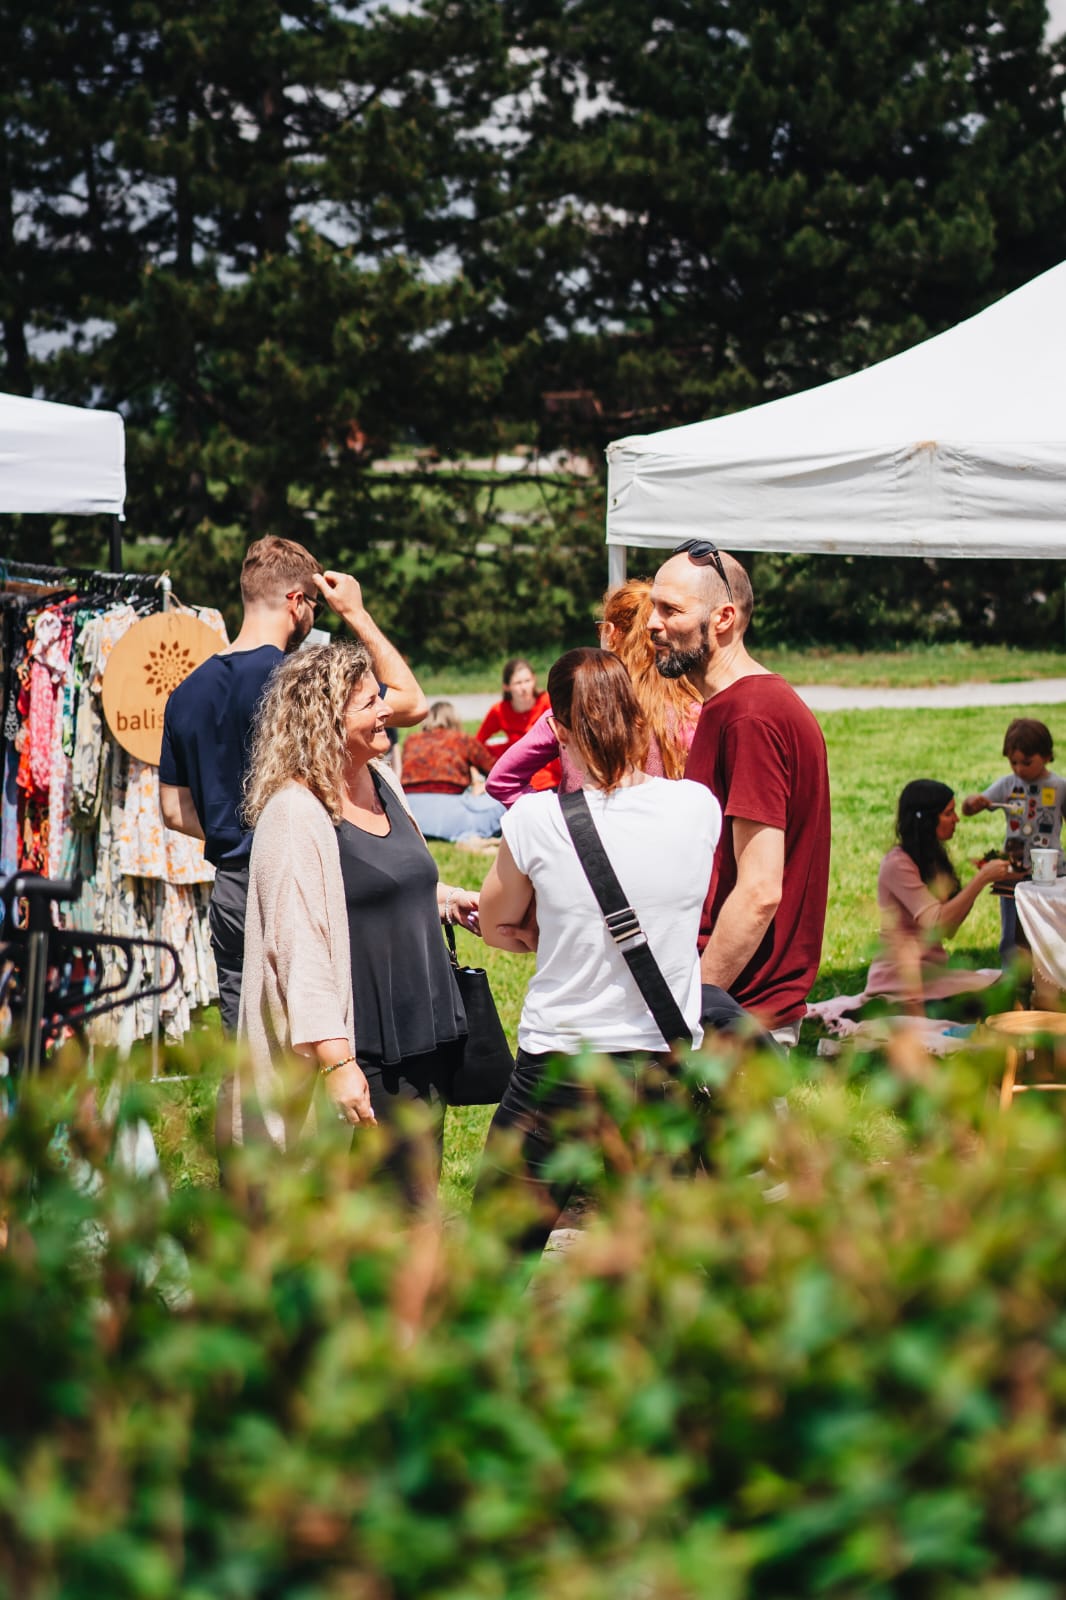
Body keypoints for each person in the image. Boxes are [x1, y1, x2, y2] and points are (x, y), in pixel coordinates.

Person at [475, 647, 720, 1254]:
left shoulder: (535, 820)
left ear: (557, 730)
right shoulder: (697, 808)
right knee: (662, 1257)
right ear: (639, 720)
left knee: (498, 1253)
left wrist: (548, 932)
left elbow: (497, 923)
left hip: (559, 1062)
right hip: (661, 1061)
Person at [234, 641, 480, 1201]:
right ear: (326, 720)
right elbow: (297, 949)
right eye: (370, 703)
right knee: (369, 1212)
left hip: (425, 1036)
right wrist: (338, 1063)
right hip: (364, 1049)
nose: (387, 709)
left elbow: (392, 880)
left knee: (418, 1200)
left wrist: (447, 900)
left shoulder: (383, 780)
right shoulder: (294, 814)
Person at [159, 536, 428, 1032]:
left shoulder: (184, 693)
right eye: (314, 605)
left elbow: (174, 811)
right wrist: (355, 612)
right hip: (307, 875)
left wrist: (236, 830)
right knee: (328, 1025)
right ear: (296, 601)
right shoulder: (300, 682)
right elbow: (412, 703)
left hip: (233, 889)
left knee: (251, 1044)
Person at [648, 540, 831, 1045]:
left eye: (670, 610)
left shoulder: (751, 715)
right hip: (732, 1008)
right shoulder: (737, 706)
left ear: (723, 618)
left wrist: (692, 1009)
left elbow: (759, 891)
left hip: (737, 1017)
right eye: (654, 608)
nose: (652, 624)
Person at [486, 580, 703, 805]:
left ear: (609, 632)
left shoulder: (572, 709)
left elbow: (502, 781)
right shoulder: (690, 711)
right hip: (660, 825)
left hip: (582, 826)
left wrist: (556, 815)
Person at [865, 780, 1011, 1004]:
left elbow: (949, 930)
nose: (957, 819)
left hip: (932, 970)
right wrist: (981, 879)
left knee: (1010, 982)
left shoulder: (930, 858)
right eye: (948, 813)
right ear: (927, 819)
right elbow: (938, 924)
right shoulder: (897, 864)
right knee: (999, 993)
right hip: (900, 977)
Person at [962, 719, 1066, 966]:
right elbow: (968, 809)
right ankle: (1013, 978)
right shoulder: (1007, 785)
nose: (1019, 769)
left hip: (1053, 872)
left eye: (1026, 762)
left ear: (1047, 756)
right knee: (1012, 934)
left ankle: (1050, 975)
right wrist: (974, 803)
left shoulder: (1059, 786)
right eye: (1013, 762)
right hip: (1014, 873)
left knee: (1051, 929)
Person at [400, 701, 504, 844]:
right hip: (450, 812)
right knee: (508, 801)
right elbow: (497, 772)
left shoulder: (411, 741)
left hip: (411, 811)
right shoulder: (462, 739)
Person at [475, 658, 559, 790]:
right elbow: (476, 743)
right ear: (506, 687)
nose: (524, 688)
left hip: (552, 775)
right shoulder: (499, 710)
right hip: (519, 774)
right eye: (518, 683)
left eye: (527, 681)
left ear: (534, 680)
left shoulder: (547, 702)